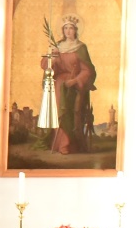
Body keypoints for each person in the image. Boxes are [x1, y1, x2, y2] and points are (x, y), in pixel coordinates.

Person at [41, 15, 96, 155]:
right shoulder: (57, 46)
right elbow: (47, 67)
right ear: (63, 30)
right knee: (58, 103)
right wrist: (52, 59)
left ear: (76, 30)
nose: (68, 31)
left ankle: (68, 144)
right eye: (66, 28)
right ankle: (60, 142)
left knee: (68, 104)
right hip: (59, 82)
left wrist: (76, 80)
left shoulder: (80, 48)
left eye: (71, 28)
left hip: (74, 85)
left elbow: (87, 70)